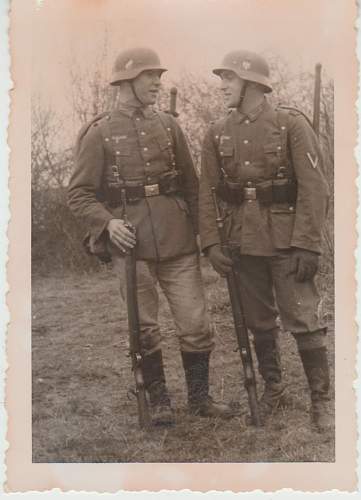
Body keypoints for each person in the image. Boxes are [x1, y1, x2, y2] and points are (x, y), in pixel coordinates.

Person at [68, 47, 232, 426]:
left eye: (158, 75)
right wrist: (107, 224)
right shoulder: (99, 132)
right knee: (143, 326)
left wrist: (206, 236)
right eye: (149, 76)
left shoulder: (169, 125)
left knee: (195, 322)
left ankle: (200, 398)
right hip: (131, 242)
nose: (158, 82)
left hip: (177, 238)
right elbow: (78, 193)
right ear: (126, 81)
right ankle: (158, 401)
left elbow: (193, 186)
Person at [198, 50, 331, 432]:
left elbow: (313, 188)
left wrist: (308, 243)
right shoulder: (216, 132)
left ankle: (320, 402)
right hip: (241, 240)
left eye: (229, 80)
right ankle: (274, 388)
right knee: (258, 321)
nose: (222, 87)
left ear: (252, 84)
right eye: (222, 79)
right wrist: (211, 243)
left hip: (287, 239)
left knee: (303, 318)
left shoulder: (290, 124)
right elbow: (207, 192)